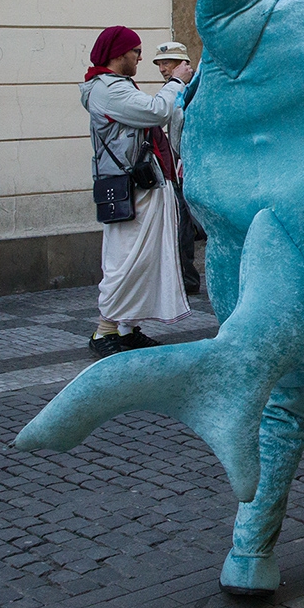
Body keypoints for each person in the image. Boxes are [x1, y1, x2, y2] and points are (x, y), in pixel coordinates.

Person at [82, 25, 190, 358]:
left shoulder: (116, 86)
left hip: (142, 185)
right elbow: (157, 110)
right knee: (125, 260)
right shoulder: (107, 89)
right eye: (136, 52)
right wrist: (176, 82)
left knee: (144, 260)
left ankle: (127, 329)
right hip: (130, 188)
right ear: (118, 54)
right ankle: (104, 331)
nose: (140, 58)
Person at [152, 41, 204, 294]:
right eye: (160, 64)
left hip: (193, 167)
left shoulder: (196, 89)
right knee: (181, 224)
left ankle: (188, 279)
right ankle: (186, 278)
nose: (162, 68)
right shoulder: (171, 89)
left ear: (182, 63)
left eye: (167, 63)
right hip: (177, 168)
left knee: (187, 223)